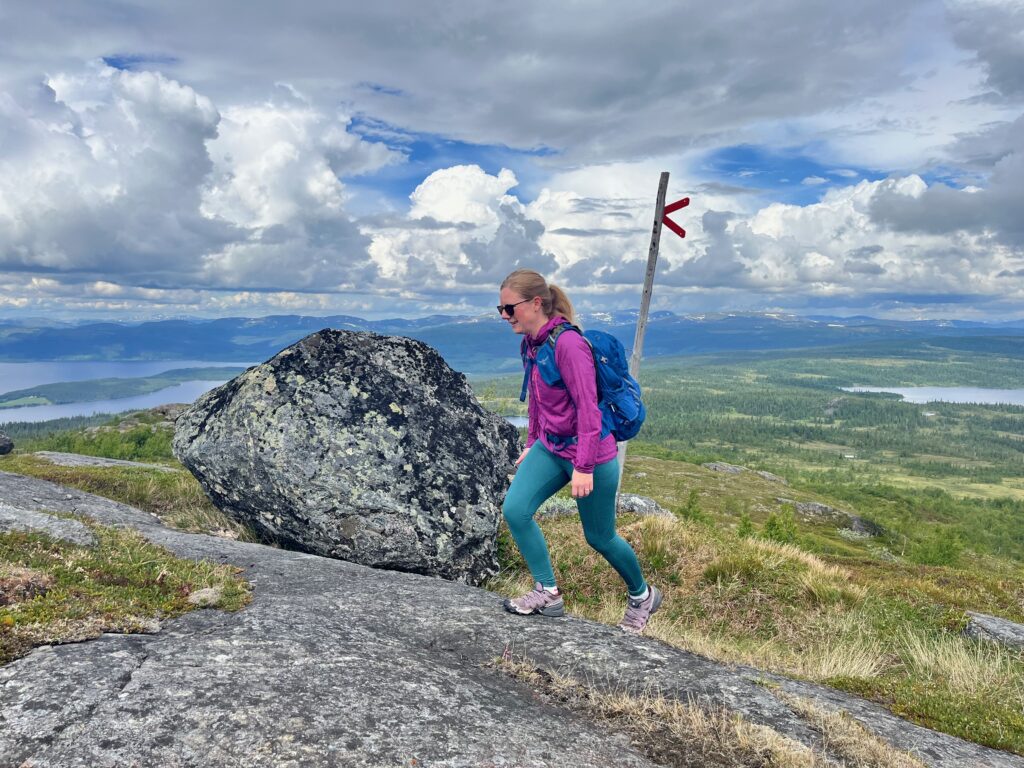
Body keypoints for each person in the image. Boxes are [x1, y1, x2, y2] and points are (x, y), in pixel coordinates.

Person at [497, 268, 662, 634]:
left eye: (509, 309)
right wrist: (531, 443)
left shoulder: (568, 345)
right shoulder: (532, 343)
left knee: (599, 537)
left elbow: (588, 409)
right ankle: (547, 591)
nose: (505, 317)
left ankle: (642, 596)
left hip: (591, 454)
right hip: (552, 446)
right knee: (516, 510)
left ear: (535, 303)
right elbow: (538, 399)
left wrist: (584, 467)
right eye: (502, 309)